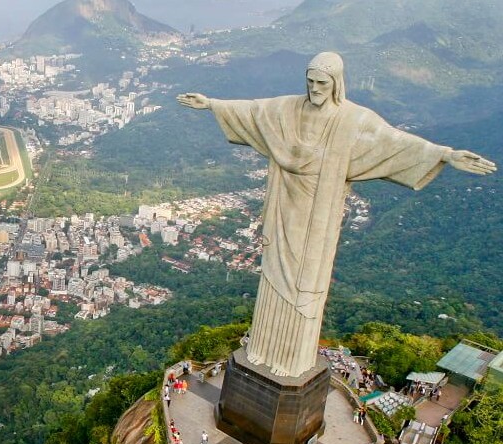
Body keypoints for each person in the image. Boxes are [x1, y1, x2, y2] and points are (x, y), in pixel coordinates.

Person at [177, 52, 496, 378]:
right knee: (273, 276)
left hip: (318, 218)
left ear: (336, 84)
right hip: (284, 208)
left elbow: (394, 142)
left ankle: (292, 360)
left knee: (305, 284)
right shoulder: (288, 108)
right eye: (310, 81)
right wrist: (212, 103)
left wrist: (445, 154)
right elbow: (254, 111)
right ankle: (261, 349)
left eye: (322, 83)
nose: (314, 88)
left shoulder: (353, 120)